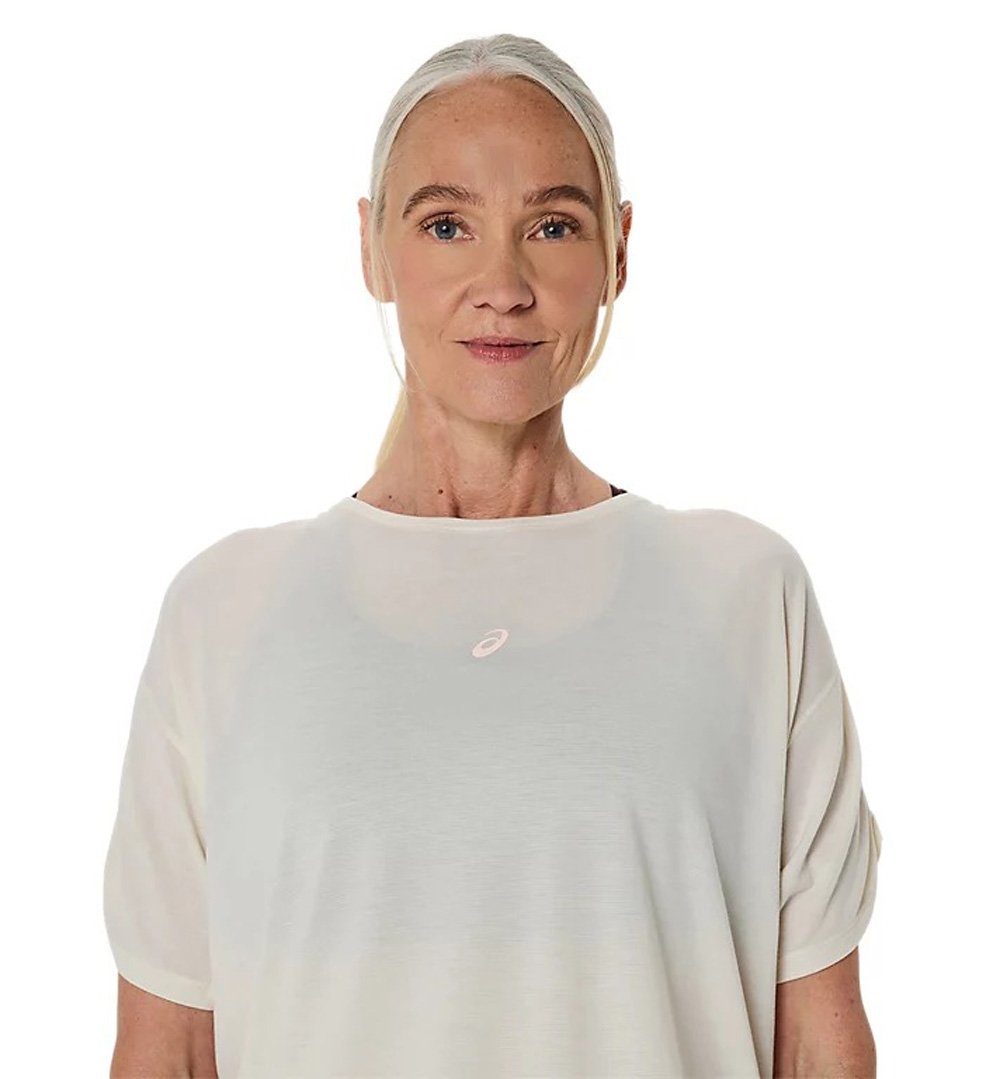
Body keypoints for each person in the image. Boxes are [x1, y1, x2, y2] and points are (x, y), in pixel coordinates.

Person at [103, 32, 882, 1078]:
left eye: (553, 225)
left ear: (617, 251)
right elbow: (168, 1050)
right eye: (446, 224)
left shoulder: (744, 595)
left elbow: (820, 1045)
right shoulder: (225, 613)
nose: (503, 283)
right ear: (372, 248)